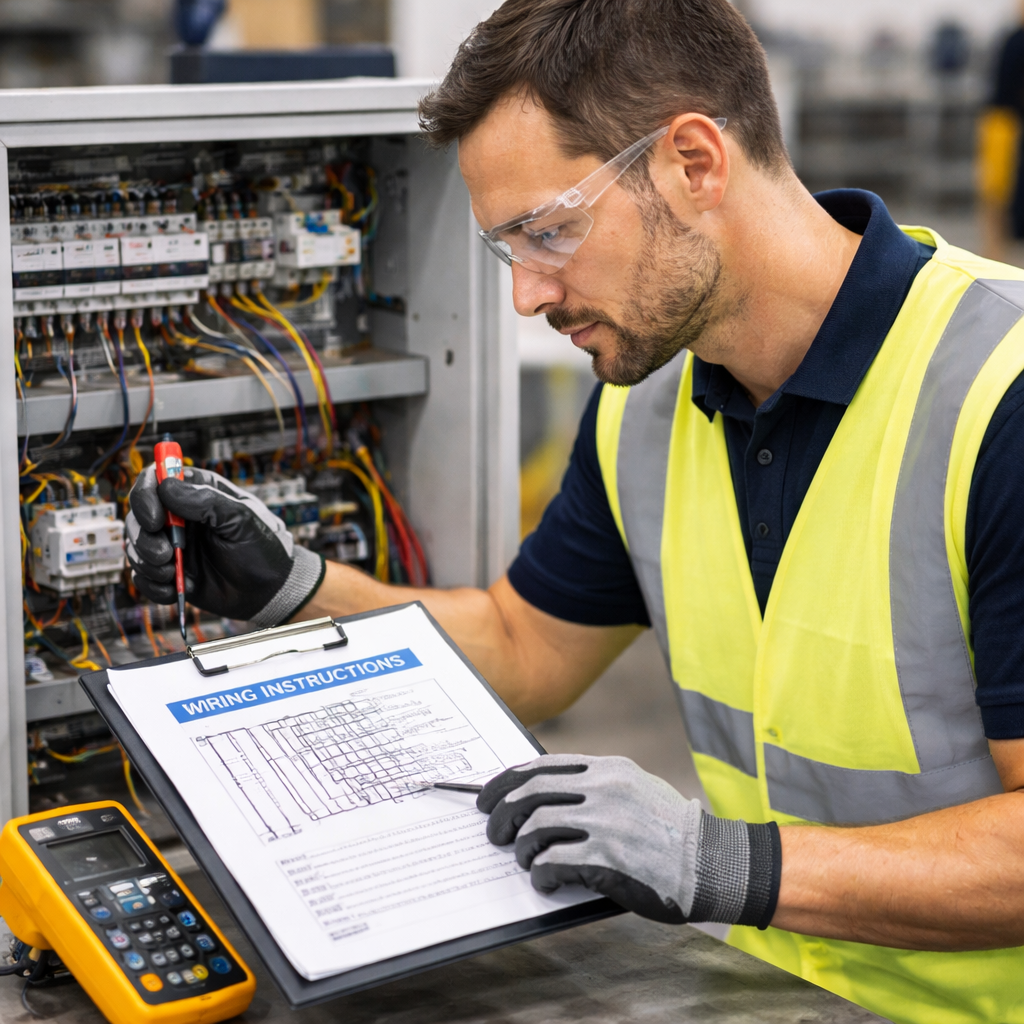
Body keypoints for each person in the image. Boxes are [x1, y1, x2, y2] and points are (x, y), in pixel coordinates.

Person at [126, 1, 1024, 1021]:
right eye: (512, 249)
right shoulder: (647, 407)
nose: (526, 296)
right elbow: (523, 645)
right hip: (769, 991)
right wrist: (295, 588)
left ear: (693, 161)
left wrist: (715, 860)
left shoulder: (999, 392)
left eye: (549, 231)